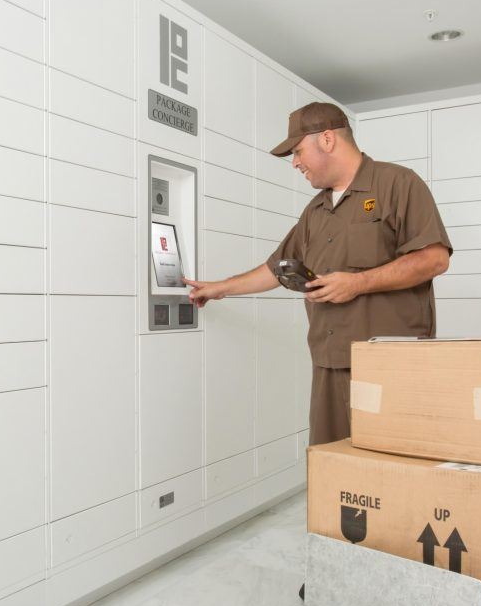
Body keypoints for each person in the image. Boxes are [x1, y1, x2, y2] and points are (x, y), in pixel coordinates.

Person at [185, 101, 452, 447]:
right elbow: (276, 268)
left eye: (298, 151)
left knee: (392, 471)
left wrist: (357, 283)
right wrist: (219, 288)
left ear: (327, 140)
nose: (295, 163)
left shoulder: (396, 184)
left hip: (389, 366)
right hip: (330, 362)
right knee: (333, 467)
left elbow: (434, 258)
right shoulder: (317, 210)